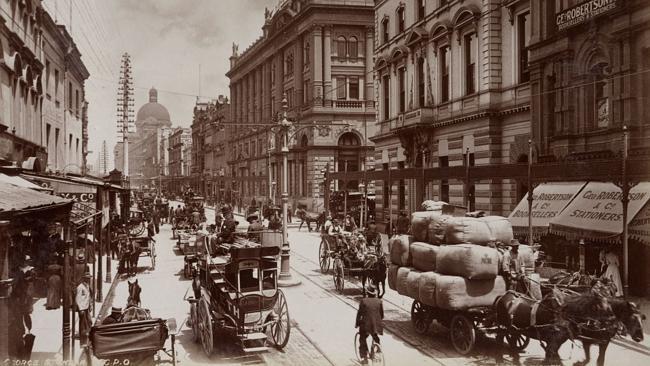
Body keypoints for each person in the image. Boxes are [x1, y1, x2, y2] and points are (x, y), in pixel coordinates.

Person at [355, 284, 384, 364]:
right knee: (375, 336)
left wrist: (357, 323)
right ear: (375, 293)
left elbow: (359, 314)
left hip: (366, 325)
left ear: (367, 293)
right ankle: (377, 351)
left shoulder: (363, 301)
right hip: (376, 325)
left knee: (362, 338)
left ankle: (364, 358)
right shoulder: (379, 301)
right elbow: (382, 315)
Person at [76, 273, 92, 345]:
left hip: (86, 307)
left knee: (89, 321)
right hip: (82, 308)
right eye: (87, 278)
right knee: (82, 324)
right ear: (84, 278)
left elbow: (88, 297)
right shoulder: (80, 287)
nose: (89, 279)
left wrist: (90, 305)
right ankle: (83, 339)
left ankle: (87, 334)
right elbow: (78, 299)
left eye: (89, 278)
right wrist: (81, 309)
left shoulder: (87, 286)